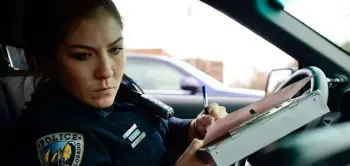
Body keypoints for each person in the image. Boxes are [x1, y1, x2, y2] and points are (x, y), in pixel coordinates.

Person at [8, 0, 228, 165]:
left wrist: (192, 129)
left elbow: (155, 127)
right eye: (83, 55)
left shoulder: (123, 90)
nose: (106, 71)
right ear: (48, 61)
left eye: (115, 50)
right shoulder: (60, 139)